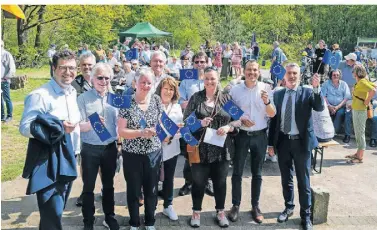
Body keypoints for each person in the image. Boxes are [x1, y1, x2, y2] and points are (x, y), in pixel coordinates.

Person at [19, 50, 81, 230]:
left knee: (56, 212)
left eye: (71, 68)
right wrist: (60, 128)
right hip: (50, 160)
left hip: (70, 157)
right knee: (52, 213)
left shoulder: (72, 91)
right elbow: (25, 127)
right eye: (63, 68)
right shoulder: (40, 95)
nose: (68, 72)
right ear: (54, 68)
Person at [267, 63, 324, 230]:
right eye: (289, 73)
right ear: (284, 76)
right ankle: (288, 207)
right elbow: (274, 121)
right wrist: (271, 143)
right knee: (286, 179)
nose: (292, 76)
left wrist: (316, 88)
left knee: (303, 181)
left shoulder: (307, 92)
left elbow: (319, 106)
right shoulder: (278, 94)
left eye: (294, 73)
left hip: (302, 143)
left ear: (299, 75)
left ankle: (306, 215)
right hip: (283, 142)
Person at [185, 67, 237, 228]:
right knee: (198, 182)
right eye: (207, 78)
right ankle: (196, 212)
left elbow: (237, 121)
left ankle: (220, 212)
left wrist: (229, 128)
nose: (210, 81)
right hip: (200, 149)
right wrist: (200, 123)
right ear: (203, 79)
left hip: (222, 150)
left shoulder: (226, 99)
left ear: (218, 79)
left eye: (213, 78)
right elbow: (186, 121)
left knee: (220, 182)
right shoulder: (196, 98)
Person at [227, 60, 276, 224]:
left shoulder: (266, 89)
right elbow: (229, 109)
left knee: (257, 173)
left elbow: (272, 114)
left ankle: (255, 206)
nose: (252, 73)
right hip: (242, 135)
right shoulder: (235, 89)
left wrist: (267, 102)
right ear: (243, 70)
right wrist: (240, 119)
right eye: (249, 70)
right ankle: (235, 205)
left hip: (260, 136)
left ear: (259, 72)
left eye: (255, 70)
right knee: (237, 172)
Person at [117, 68, 163, 230]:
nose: (146, 85)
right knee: (133, 190)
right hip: (132, 155)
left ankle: (150, 221)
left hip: (154, 153)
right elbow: (121, 131)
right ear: (134, 83)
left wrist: (166, 130)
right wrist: (141, 132)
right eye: (142, 82)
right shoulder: (126, 101)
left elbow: (162, 124)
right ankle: (134, 223)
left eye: (149, 82)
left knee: (151, 189)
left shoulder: (157, 100)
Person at [77, 63, 120, 230]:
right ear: (93, 78)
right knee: (88, 186)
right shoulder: (83, 98)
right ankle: (88, 221)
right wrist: (91, 124)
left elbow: (121, 124)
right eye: (100, 77)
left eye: (107, 78)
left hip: (109, 147)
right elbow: (78, 126)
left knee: (108, 185)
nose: (103, 81)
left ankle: (109, 217)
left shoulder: (115, 98)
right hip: (90, 148)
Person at [178, 52, 214, 197]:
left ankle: (208, 181)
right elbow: (179, 99)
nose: (199, 64)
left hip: (208, 124)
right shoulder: (187, 80)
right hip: (191, 123)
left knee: (209, 154)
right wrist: (184, 103)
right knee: (189, 154)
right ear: (193, 64)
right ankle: (189, 182)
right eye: (197, 62)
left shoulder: (211, 79)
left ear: (207, 63)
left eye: (202, 62)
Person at [154, 77, 183, 221]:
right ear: (160, 89)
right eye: (165, 88)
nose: (168, 91)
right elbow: (147, 124)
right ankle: (151, 206)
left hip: (172, 148)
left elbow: (180, 128)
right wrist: (161, 136)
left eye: (171, 89)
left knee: (169, 179)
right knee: (152, 179)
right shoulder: (153, 104)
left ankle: (168, 205)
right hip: (153, 148)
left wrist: (172, 136)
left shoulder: (177, 107)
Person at [345, 65, 376, 164]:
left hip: (360, 111)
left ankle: (360, 157)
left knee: (360, 133)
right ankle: (358, 153)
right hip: (357, 109)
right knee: (358, 133)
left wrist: (367, 101)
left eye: (353, 71)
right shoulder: (362, 81)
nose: (352, 73)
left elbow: (373, 90)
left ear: (357, 72)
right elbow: (374, 86)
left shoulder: (362, 82)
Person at [321, 69, 351, 140]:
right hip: (328, 105)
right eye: (334, 75)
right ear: (331, 76)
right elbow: (323, 96)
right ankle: (322, 132)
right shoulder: (326, 83)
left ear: (340, 76)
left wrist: (337, 107)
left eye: (337, 75)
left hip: (340, 106)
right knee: (323, 113)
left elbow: (346, 98)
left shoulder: (344, 84)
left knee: (339, 114)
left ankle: (333, 133)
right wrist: (329, 106)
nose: (336, 76)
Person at [1, 40, 15, 123]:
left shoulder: (7, 54)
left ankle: (9, 116)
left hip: (5, 80)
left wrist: (6, 78)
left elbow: (12, 68)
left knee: (7, 98)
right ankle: (1, 116)